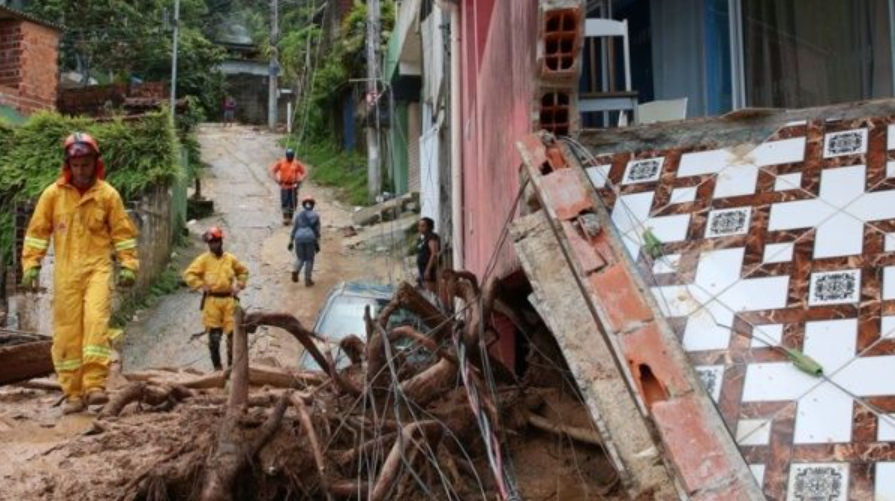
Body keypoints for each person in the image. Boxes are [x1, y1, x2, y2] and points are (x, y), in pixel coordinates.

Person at [21, 132, 140, 414]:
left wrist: (128, 265)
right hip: (66, 274)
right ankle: (73, 392)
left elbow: (123, 234)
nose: (81, 169)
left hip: (98, 268)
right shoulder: (53, 195)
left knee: (96, 323)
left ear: (95, 163)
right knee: (66, 333)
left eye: (86, 163)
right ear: (68, 165)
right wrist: (31, 264)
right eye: (76, 164)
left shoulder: (108, 195)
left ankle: (95, 385)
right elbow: (37, 233)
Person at [183, 227, 249, 371]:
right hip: (212, 303)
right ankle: (217, 369)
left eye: (215, 242)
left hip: (229, 301)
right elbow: (189, 274)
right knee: (214, 339)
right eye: (210, 243)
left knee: (233, 337)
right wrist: (200, 285)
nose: (213, 245)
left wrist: (240, 285)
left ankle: (232, 369)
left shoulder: (230, 259)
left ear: (220, 241)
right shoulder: (203, 260)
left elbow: (243, 271)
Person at [288, 196, 321, 286]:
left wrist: (291, 241)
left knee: (300, 258)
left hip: (298, 238)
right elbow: (317, 231)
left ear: (303, 205)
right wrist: (317, 243)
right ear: (313, 205)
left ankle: (296, 270)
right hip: (310, 238)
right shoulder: (316, 216)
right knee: (310, 259)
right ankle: (307, 281)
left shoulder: (299, 215)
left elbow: (294, 229)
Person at [270, 149, 307, 225]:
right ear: (286, 156)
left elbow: (304, 172)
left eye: (291, 156)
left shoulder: (296, 163)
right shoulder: (281, 162)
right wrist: (277, 179)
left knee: (293, 202)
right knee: (285, 201)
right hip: (284, 185)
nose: (290, 158)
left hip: (293, 185)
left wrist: (301, 179)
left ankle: (290, 218)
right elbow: (273, 171)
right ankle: (285, 218)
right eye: (288, 156)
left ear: (293, 156)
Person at [416, 217, 440, 294]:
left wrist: (428, 270)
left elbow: (434, 253)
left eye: (423, 226)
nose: (420, 228)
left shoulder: (432, 237)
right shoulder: (422, 239)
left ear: (429, 227)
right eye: (419, 226)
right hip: (422, 269)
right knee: (426, 293)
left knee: (431, 293)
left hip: (429, 269)